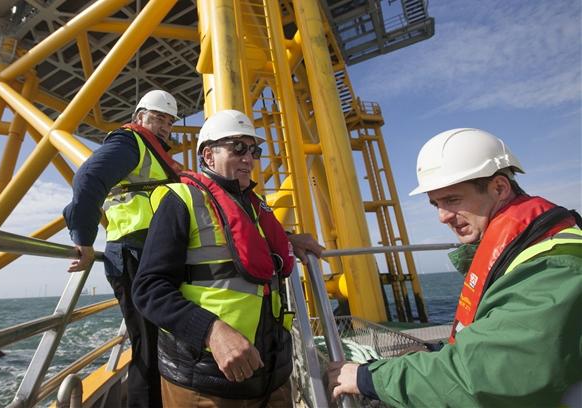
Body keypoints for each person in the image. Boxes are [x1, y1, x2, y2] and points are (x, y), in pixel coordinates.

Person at [328, 128, 582, 407]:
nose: (442, 216)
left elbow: (489, 374)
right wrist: (436, 352)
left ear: (499, 188)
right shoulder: (531, 246)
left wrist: (368, 378)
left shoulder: (553, 265)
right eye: (436, 203)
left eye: (452, 200)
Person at [132, 109, 323, 407]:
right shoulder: (181, 201)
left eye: (253, 150)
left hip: (272, 377)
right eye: (237, 147)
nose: (248, 157)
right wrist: (211, 331)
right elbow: (149, 289)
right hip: (208, 384)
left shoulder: (254, 206)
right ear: (208, 156)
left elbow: (240, 242)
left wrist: (289, 239)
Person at [63, 90, 182, 408]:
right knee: (149, 347)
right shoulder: (130, 143)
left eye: (169, 122)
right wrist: (84, 240)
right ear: (139, 116)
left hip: (153, 255)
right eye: (158, 118)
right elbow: (87, 179)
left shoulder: (154, 155)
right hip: (133, 254)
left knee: (161, 344)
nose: (164, 127)